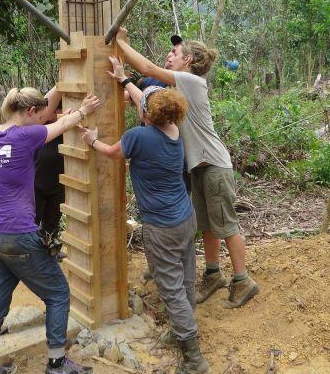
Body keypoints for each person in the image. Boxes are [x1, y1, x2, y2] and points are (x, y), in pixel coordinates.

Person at [112, 28, 259, 310]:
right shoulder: (178, 87)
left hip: (214, 165)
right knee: (207, 225)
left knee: (226, 225)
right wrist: (124, 81)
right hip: (200, 167)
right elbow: (147, 99)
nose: (171, 56)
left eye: (176, 54)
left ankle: (242, 281)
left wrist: (119, 42)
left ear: (188, 60)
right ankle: (214, 274)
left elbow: (145, 67)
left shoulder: (191, 81)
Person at [80, 85, 211, 374]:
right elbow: (150, 107)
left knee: (172, 290)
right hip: (185, 219)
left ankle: (194, 359)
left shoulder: (137, 136)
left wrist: (91, 140)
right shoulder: (174, 131)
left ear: (145, 113)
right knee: (186, 279)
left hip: (161, 227)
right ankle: (180, 334)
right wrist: (124, 80)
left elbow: (113, 152)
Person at [0, 86, 100, 374]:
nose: (42, 119)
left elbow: (52, 125)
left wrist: (61, 117)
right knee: (58, 293)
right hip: (17, 236)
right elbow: (62, 124)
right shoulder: (26, 135)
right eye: (39, 114)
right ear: (30, 112)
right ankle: (56, 363)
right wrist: (84, 110)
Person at [34, 104, 66, 261]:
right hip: (36, 187)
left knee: (52, 221)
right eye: (54, 110)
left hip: (58, 185)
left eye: (57, 110)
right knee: (32, 221)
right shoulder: (40, 129)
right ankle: (32, 254)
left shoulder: (64, 129)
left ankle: (51, 250)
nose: (55, 113)